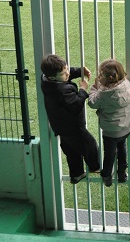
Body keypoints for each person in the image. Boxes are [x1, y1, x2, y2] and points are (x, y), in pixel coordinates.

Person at [40, 54, 100, 184]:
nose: (67, 73)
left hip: (60, 126)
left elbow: (65, 74)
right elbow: (77, 104)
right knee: (90, 144)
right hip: (74, 127)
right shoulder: (62, 91)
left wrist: (78, 71)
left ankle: (76, 173)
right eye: (64, 73)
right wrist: (83, 89)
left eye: (67, 69)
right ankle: (95, 166)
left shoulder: (46, 81)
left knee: (71, 151)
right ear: (52, 77)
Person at [88, 59, 130, 187]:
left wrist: (95, 87)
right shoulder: (127, 84)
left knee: (110, 154)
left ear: (109, 78)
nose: (98, 77)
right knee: (122, 150)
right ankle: (122, 174)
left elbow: (92, 102)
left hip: (111, 132)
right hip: (126, 128)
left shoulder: (104, 94)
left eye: (100, 75)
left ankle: (107, 175)